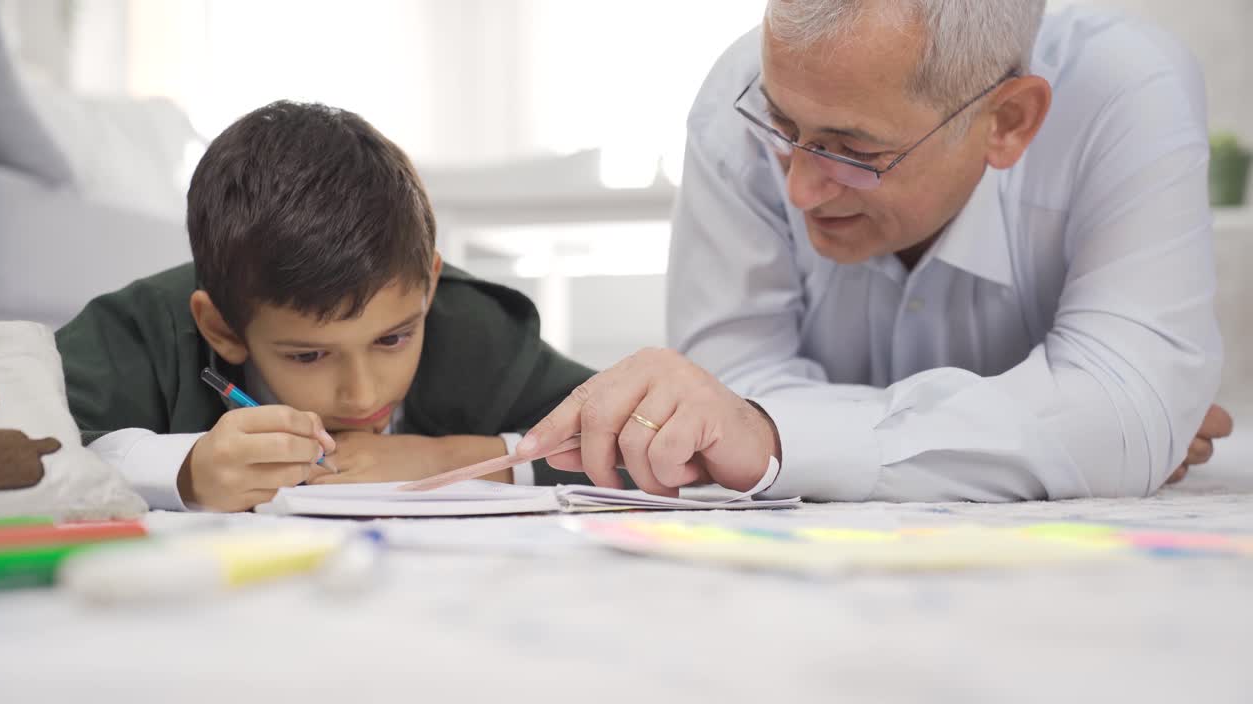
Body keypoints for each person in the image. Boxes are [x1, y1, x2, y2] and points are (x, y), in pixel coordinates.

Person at [519, 0, 1234, 502]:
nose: (798, 190)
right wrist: (1066, 438)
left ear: (1008, 122)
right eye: (780, 126)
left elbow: (1119, 411)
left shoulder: (1127, 93)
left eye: (852, 151)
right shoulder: (737, 94)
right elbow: (729, 397)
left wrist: (774, 434)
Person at [57, 101, 594, 512]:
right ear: (219, 327)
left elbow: (639, 447)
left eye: (393, 339)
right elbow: (1, 446)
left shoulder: (474, 329)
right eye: (308, 355)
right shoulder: (139, 331)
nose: (363, 395)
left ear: (429, 286)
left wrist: (450, 459)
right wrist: (184, 471)